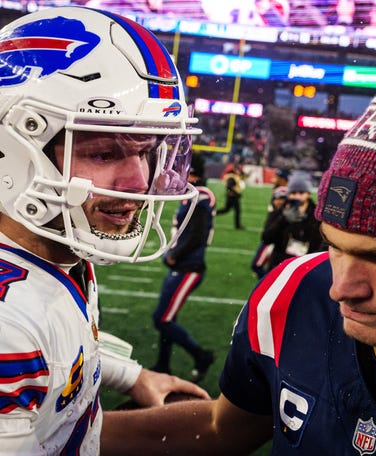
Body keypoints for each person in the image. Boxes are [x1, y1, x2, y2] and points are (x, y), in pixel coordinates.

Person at [101, 33, 376, 455]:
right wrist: (56, 435)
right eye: (334, 247)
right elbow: (222, 428)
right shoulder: (294, 293)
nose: (341, 287)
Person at [0, 6, 210, 454]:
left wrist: (132, 376)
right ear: (12, 152)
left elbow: (60, 352)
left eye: (148, 150)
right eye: (102, 151)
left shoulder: (52, 249)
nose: (139, 182)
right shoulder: (7, 328)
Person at [152, 154, 216, 383]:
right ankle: (162, 364)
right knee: (168, 317)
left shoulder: (201, 196)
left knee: (162, 319)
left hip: (189, 267)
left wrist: (174, 255)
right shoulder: (192, 194)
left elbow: (197, 235)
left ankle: (202, 356)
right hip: (182, 265)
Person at [261, 170, 323, 272]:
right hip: (279, 265)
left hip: (305, 267)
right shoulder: (280, 210)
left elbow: (319, 243)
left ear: (308, 194)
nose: (297, 196)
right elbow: (266, 238)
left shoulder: (316, 214)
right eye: (293, 192)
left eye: (301, 192)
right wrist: (283, 220)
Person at [250, 185, 288, 280]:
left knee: (260, 266)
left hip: (277, 244)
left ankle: (268, 281)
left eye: (282, 199)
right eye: (277, 199)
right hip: (270, 240)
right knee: (257, 265)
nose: (279, 202)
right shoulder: (274, 211)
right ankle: (267, 281)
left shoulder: (288, 214)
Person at [216, 163, 246, 229]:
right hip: (232, 197)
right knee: (228, 210)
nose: (239, 172)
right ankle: (213, 213)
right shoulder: (232, 177)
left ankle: (237, 226)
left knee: (234, 210)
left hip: (233, 196)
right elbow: (229, 186)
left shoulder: (233, 175)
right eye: (238, 170)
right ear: (235, 170)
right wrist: (237, 193)